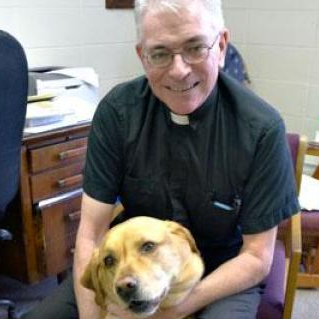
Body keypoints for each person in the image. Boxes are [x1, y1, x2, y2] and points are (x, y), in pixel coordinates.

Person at [23, 0, 299, 318]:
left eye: (195, 47)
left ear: (221, 46)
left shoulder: (261, 129)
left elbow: (256, 257)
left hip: (224, 267)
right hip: (133, 261)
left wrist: (172, 311)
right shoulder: (117, 114)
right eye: (160, 53)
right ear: (143, 56)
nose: (179, 70)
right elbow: (91, 233)